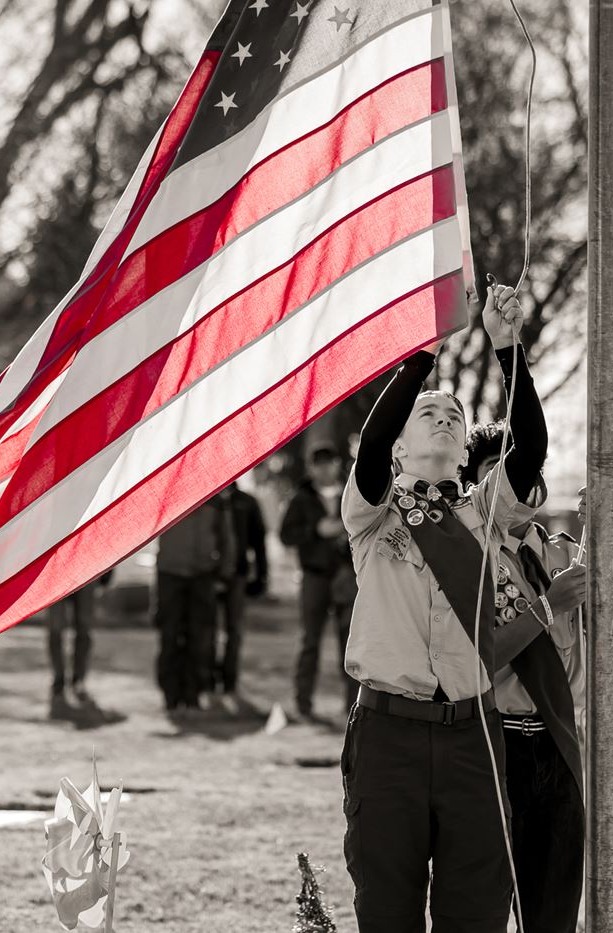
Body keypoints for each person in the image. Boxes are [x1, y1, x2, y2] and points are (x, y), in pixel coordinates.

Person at [340, 282, 543, 933]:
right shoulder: (371, 507)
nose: (446, 417)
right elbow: (368, 450)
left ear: (465, 450)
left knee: (476, 910)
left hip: (473, 736)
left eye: (455, 415)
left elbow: (529, 446)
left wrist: (508, 348)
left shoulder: (483, 511)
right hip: (388, 736)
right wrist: (422, 356)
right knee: (387, 909)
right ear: (401, 446)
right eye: (428, 411)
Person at [462, 427, 589, 933]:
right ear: (473, 482)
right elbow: (477, 661)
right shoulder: (469, 557)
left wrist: (605, 533)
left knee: (554, 907)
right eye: (497, 468)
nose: (517, 481)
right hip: (497, 743)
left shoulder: (566, 552)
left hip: (560, 744)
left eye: (527, 470)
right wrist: (547, 605)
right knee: (486, 902)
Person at [281, 444, 359, 719]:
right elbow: (286, 535)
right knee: (310, 642)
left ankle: (353, 706)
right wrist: (315, 530)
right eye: (319, 463)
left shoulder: (351, 494)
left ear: (337, 464)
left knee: (350, 644)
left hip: (346, 578)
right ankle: (303, 705)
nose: (324, 468)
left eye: (329, 462)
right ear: (312, 467)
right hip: (313, 577)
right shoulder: (301, 499)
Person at [155, 495, 234, 714]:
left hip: (203, 576)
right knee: (169, 635)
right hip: (170, 573)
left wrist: (223, 574)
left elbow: (226, 538)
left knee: (199, 638)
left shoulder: (216, 499)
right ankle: (170, 696)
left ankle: (193, 695)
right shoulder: (168, 492)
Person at [216, 481, 268, 707]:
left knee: (234, 631)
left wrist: (261, 575)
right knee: (206, 632)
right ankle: (207, 683)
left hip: (238, 575)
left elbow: (259, 543)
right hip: (209, 575)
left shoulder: (247, 502)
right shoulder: (208, 499)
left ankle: (230, 684)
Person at [47, 576, 102, 718]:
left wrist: (108, 570)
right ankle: (59, 681)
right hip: (56, 573)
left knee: (84, 628)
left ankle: (79, 679)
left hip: (87, 569)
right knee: (56, 629)